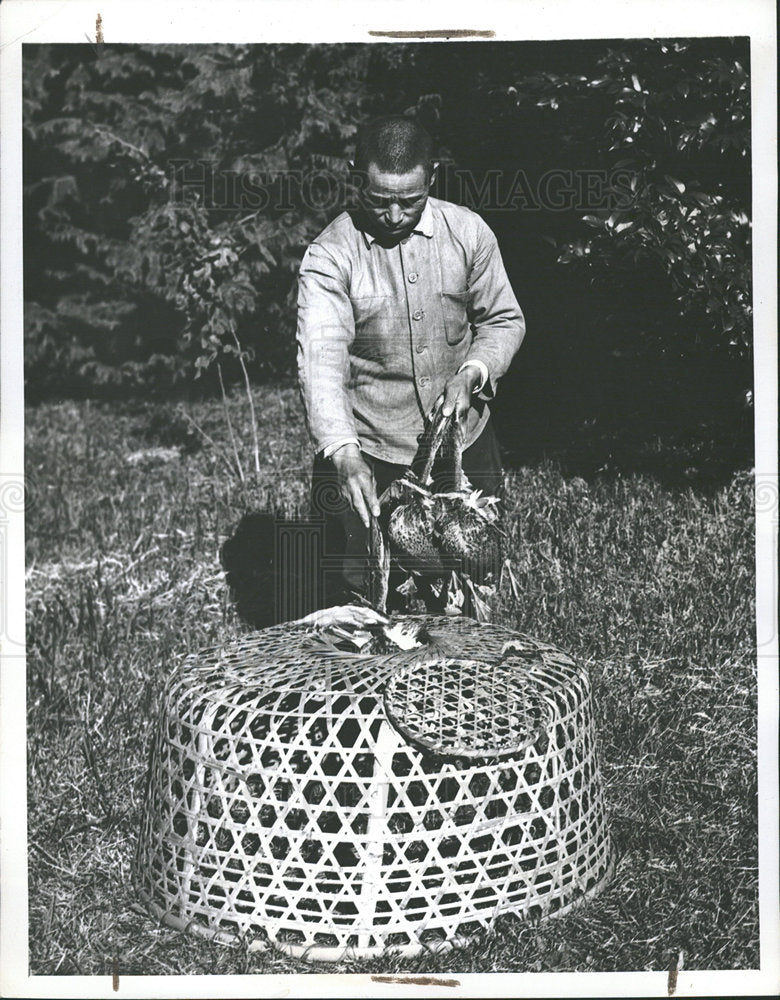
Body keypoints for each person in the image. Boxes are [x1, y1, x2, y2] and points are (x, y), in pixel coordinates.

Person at [296, 115, 525, 610]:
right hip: (373, 453)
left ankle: (471, 676)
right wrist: (342, 452)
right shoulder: (330, 258)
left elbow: (504, 320)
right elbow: (321, 363)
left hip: (465, 444)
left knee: (475, 580)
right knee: (369, 600)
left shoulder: (468, 232)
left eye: (411, 200)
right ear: (355, 176)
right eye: (380, 200)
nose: (396, 214)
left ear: (433, 177)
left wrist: (473, 372)